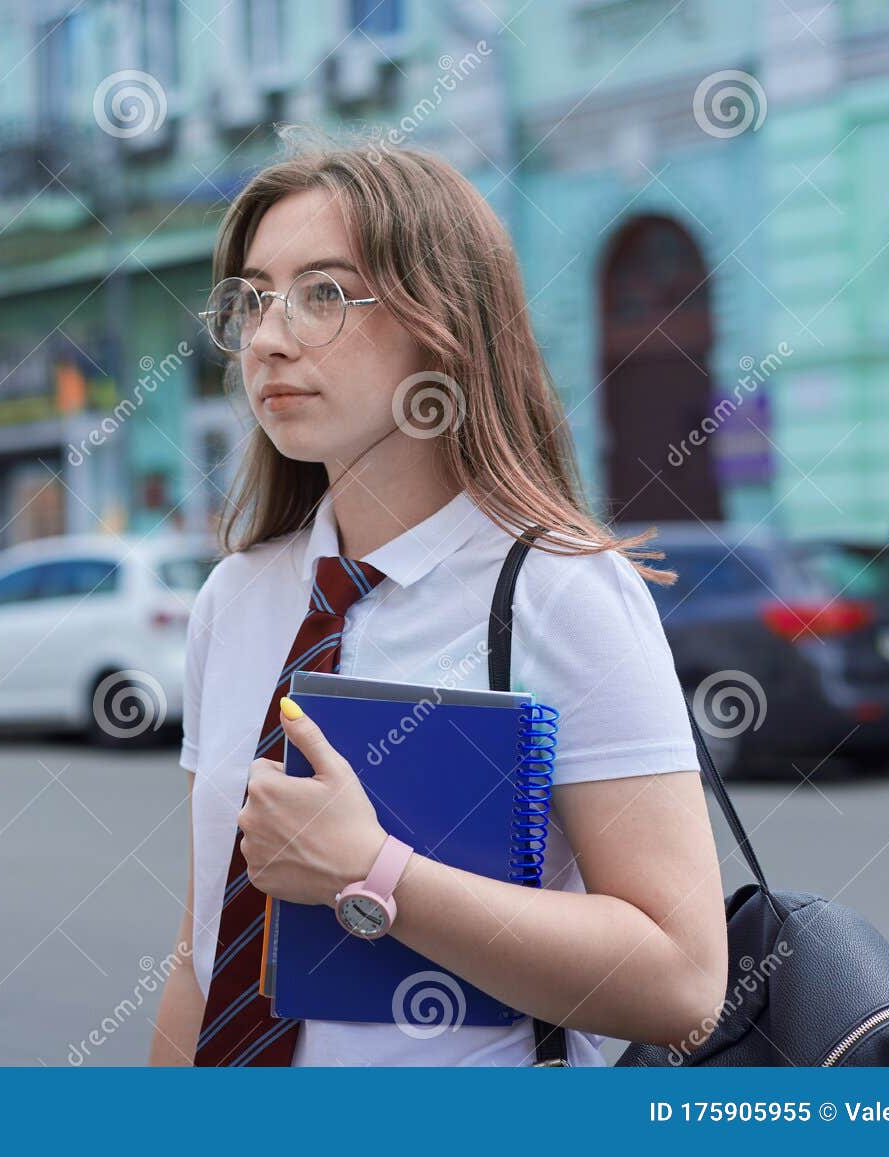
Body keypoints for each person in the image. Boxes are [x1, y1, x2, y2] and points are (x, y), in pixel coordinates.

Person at [149, 131, 727, 1068]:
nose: (266, 336)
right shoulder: (236, 598)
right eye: (251, 299)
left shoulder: (561, 590)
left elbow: (683, 978)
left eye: (324, 294)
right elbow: (200, 957)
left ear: (441, 319)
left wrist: (375, 873)